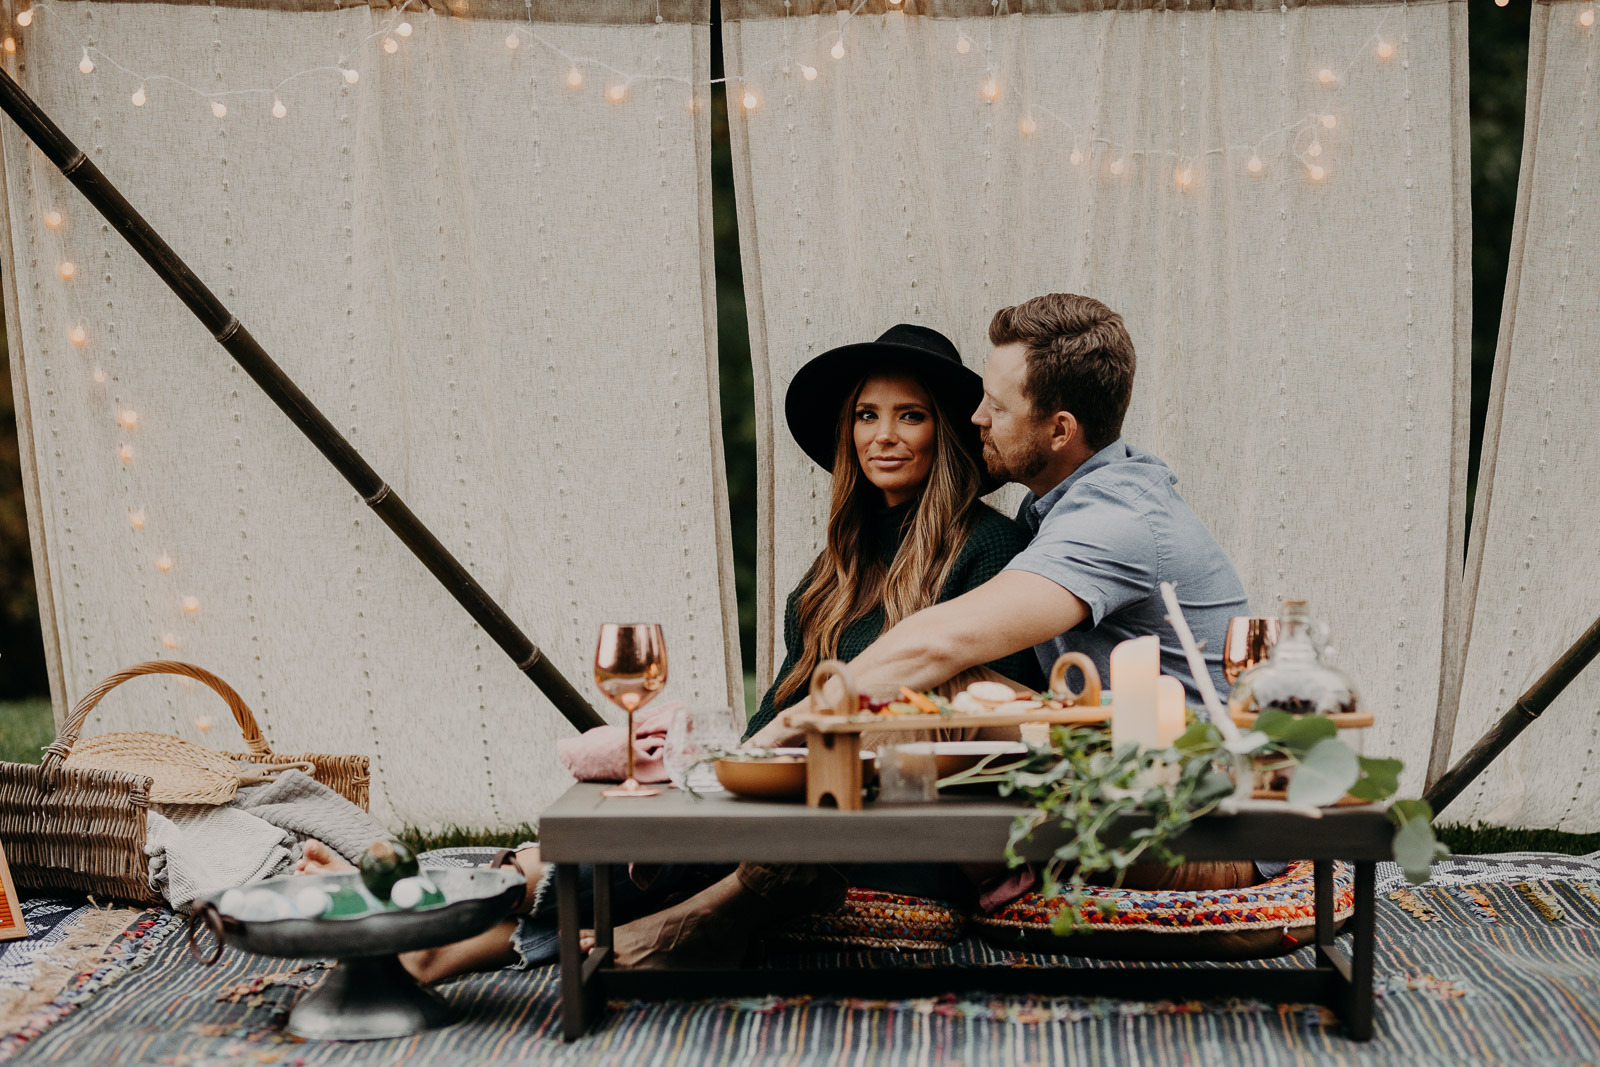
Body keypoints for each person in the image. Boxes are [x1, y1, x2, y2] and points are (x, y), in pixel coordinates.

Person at [298, 322, 1043, 977]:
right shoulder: (832, 574)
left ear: (945, 432)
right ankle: (437, 947)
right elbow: (772, 721)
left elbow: (984, 743)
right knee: (665, 830)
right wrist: (721, 780)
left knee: (677, 850)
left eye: (910, 415)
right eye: (866, 415)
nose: (884, 435)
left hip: (904, 832)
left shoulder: (988, 549)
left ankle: (422, 894)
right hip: (802, 810)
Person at [753, 293, 1266, 892]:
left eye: (996, 406)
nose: (976, 418)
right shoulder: (1058, 509)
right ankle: (750, 877)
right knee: (943, 701)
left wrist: (788, 728)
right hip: (1130, 792)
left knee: (944, 689)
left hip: (1202, 831)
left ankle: (748, 886)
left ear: (1059, 430)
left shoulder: (1117, 519)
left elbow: (941, 642)